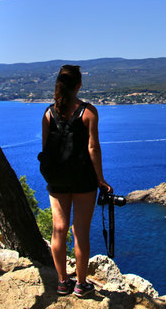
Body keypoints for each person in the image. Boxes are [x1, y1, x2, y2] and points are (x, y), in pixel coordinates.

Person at [41, 65, 112, 298]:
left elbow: (46, 149)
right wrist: (100, 179)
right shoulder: (88, 112)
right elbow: (93, 148)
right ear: (79, 85)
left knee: (58, 229)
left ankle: (62, 282)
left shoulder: (48, 114)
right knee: (80, 231)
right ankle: (81, 284)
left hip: (57, 178)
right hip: (83, 178)